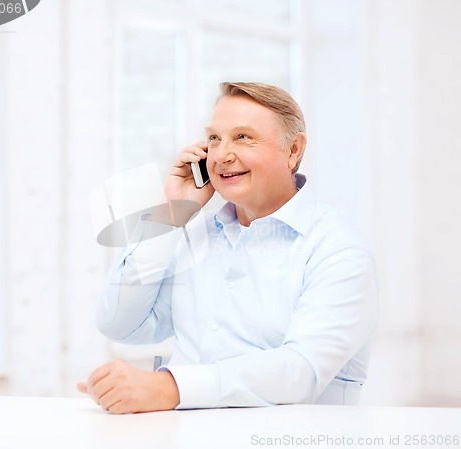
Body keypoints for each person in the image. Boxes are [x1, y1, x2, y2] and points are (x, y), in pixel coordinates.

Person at [77, 82, 378, 414]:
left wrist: (171, 387)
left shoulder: (338, 250)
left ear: (293, 150)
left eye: (243, 137)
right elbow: (119, 323)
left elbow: (301, 372)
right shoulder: (191, 234)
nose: (221, 155)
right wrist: (171, 215)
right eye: (214, 138)